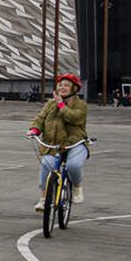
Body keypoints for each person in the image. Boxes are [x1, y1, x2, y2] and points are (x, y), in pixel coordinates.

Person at [29, 72, 90, 210]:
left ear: (74, 88)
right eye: (60, 85)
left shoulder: (81, 105)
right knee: (46, 165)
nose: (62, 87)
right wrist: (34, 129)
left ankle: (77, 187)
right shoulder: (51, 104)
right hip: (53, 144)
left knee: (73, 165)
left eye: (67, 85)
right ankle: (44, 199)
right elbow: (40, 118)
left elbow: (75, 118)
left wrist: (62, 105)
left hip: (75, 142)